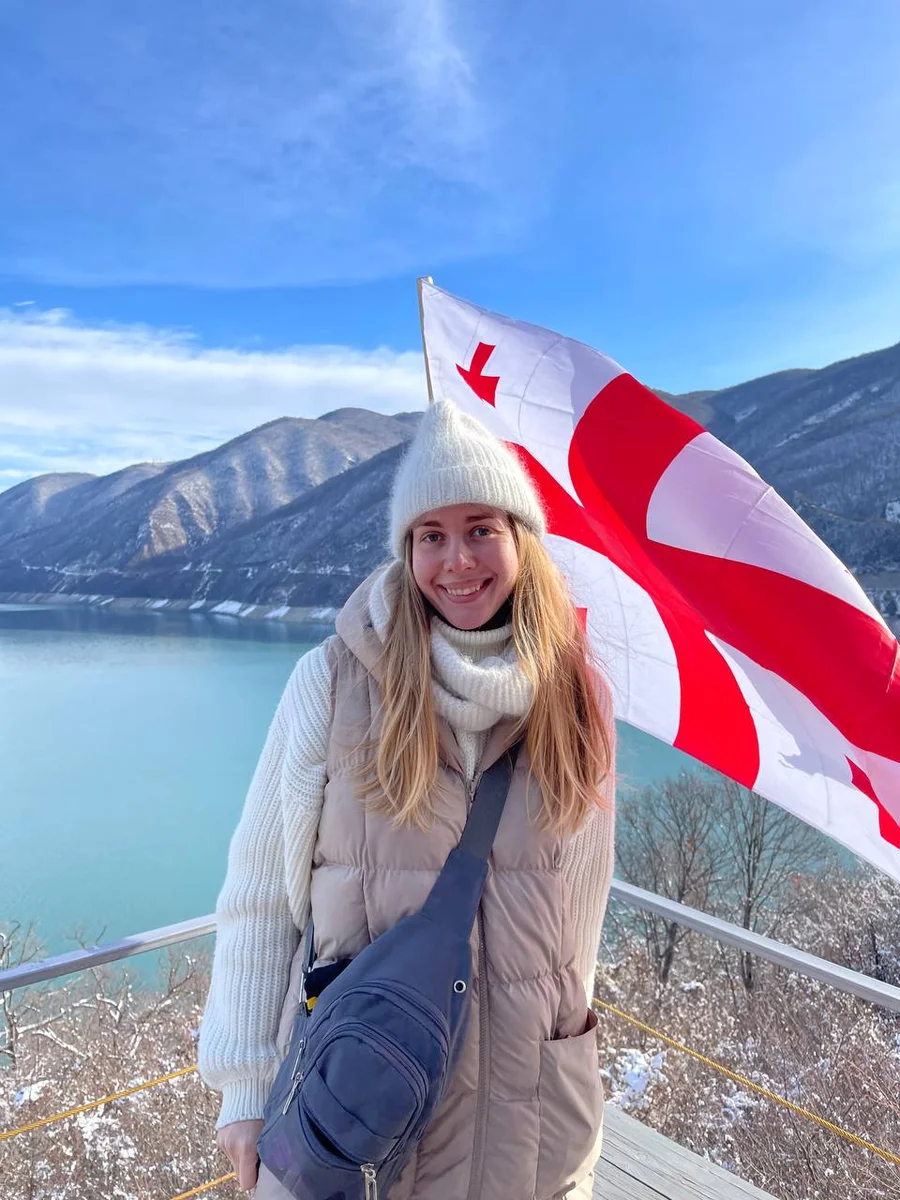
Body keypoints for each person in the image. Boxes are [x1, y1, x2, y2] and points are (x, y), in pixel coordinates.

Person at [198, 400, 616, 1199]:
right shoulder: (332, 682)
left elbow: (581, 918)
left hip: (526, 1130)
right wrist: (245, 1092)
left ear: (520, 540)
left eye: (480, 529)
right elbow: (258, 896)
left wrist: (571, 1054)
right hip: (355, 1118)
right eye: (432, 535)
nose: (457, 560)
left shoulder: (574, 700)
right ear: (407, 550)